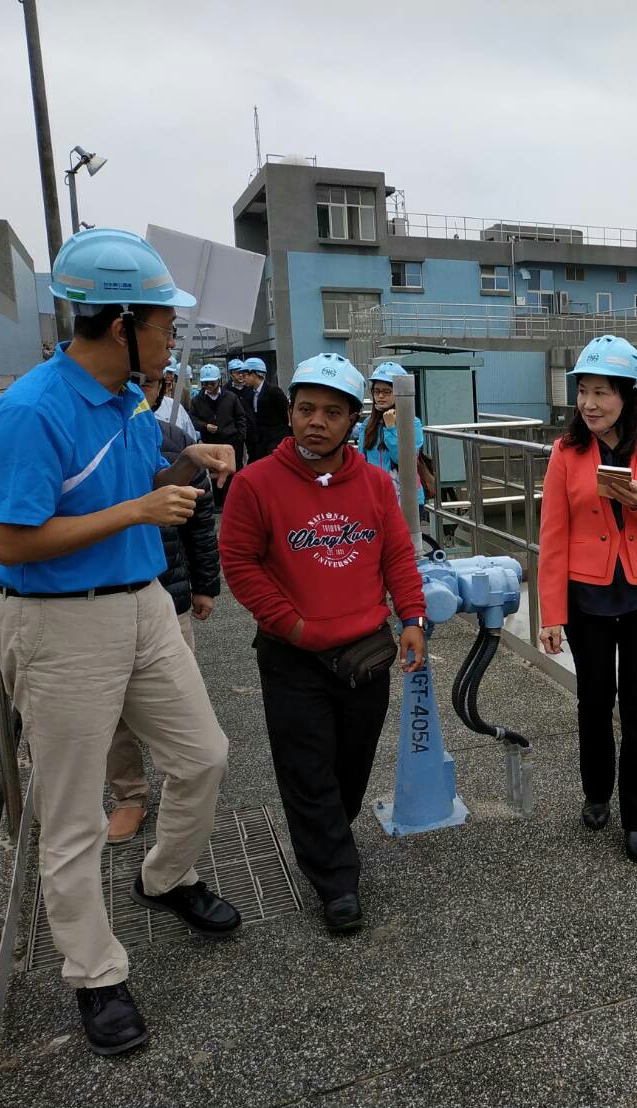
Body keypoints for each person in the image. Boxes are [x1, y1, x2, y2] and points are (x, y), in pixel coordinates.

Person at [0, 228, 240, 1056]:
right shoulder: (32, 408)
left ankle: (165, 877)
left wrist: (183, 468)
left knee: (202, 755)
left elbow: (132, 493)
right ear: (120, 322)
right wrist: (138, 511)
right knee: (70, 814)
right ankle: (95, 976)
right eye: (165, 319)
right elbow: (12, 542)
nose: (176, 334)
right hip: (60, 625)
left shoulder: (133, 401)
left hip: (143, 609)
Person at [219, 352, 427, 934]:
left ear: (352, 419)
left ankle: (331, 837)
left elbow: (395, 554)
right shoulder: (255, 483)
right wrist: (291, 624)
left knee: (351, 768)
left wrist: (411, 616)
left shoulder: (377, 483)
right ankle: (337, 880)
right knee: (307, 769)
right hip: (292, 655)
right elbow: (240, 562)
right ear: (290, 413)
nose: (317, 421)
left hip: (364, 651)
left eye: (332, 412)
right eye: (306, 408)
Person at [536, 335, 637, 864]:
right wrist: (550, 613)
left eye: (601, 392)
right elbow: (552, 537)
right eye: (583, 391)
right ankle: (597, 793)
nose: (589, 404)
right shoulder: (565, 453)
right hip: (587, 598)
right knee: (595, 702)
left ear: (628, 394)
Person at [106, 368, 220, 843]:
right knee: (112, 714)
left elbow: (200, 522)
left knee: (181, 706)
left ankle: (181, 791)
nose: (141, 391)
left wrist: (205, 585)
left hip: (167, 593)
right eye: (133, 380)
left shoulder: (174, 439)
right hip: (105, 597)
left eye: (151, 383)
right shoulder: (97, 436)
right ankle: (128, 794)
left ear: (164, 388)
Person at [353, 362, 425, 512]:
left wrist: (391, 428)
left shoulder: (412, 423)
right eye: (376, 391)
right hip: (375, 494)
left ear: (398, 393)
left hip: (405, 497)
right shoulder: (368, 424)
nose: (380, 396)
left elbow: (404, 460)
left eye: (387, 391)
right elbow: (362, 458)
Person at [191, 364, 246, 507]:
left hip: (231, 441)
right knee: (214, 473)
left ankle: (235, 501)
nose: (208, 386)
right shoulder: (197, 400)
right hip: (210, 443)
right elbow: (192, 419)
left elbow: (240, 417)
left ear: (219, 381)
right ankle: (219, 503)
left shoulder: (230, 397)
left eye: (211, 383)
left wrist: (240, 436)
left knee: (233, 472)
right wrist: (205, 426)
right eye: (205, 383)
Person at [243, 357, 290, 460]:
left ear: (254, 374)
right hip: (260, 439)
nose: (243, 378)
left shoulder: (273, 391)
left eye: (245, 375)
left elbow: (285, 414)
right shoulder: (249, 393)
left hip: (276, 438)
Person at [156, 358, 199, 443]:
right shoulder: (154, 390)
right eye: (167, 372)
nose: (169, 376)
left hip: (177, 434)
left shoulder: (183, 391)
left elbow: (188, 412)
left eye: (171, 373)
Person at [226, 358, 255, 462]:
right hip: (235, 430)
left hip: (252, 429)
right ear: (230, 374)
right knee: (236, 459)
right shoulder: (226, 391)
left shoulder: (251, 388)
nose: (241, 375)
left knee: (254, 456)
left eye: (243, 372)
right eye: (237, 372)